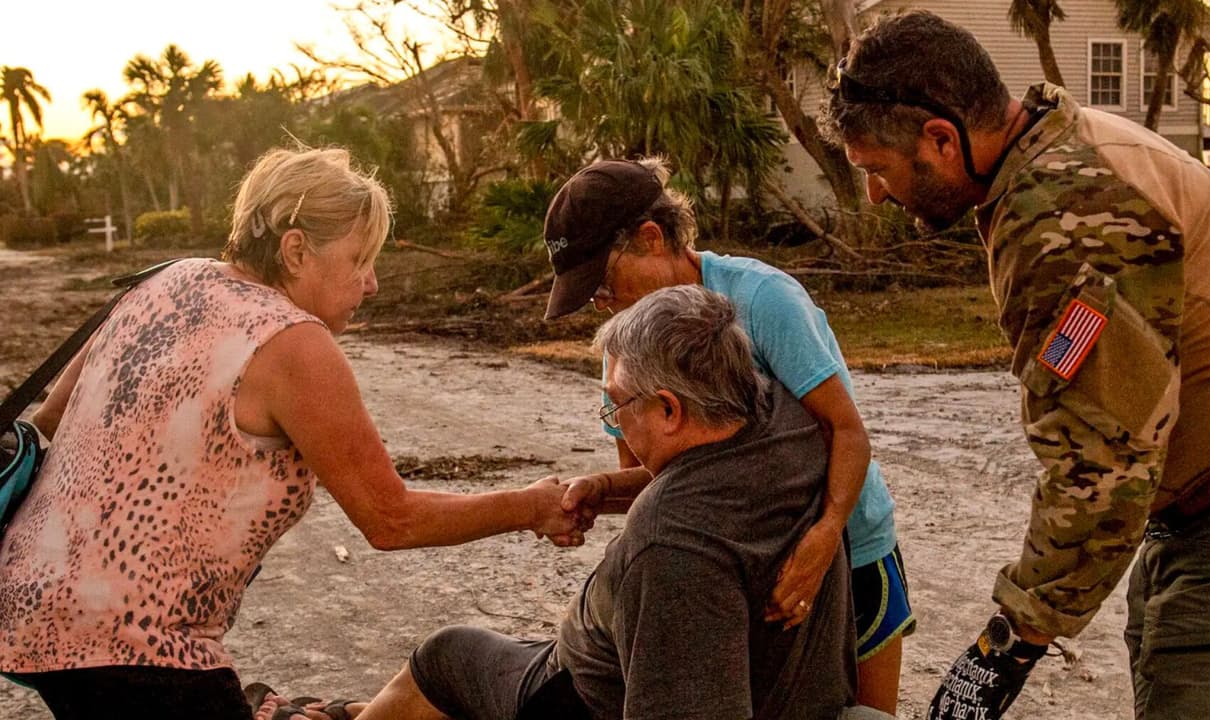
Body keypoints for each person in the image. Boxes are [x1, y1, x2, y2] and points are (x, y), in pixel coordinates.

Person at [0, 146, 577, 720]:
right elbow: (391, 519)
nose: (372, 283)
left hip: (29, 605)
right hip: (139, 646)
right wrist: (530, 506)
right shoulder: (292, 340)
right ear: (296, 250)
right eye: (359, 259)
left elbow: (51, 419)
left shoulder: (166, 279)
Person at [827, 10, 1210, 720]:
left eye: (878, 171)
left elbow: (1102, 465)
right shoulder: (1061, 152)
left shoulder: (1064, 216)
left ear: (941, 139)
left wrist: (1003, 647)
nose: (876, 195)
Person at [324, 284, 857, 720]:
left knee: (445, 655)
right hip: (761, 681)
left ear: (669, 409)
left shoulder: (672, 543)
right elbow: (716, 481)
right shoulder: (787, 422)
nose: (615, 421)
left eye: (616, 406)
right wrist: (608, 486)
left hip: (579, 698)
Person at [539, 157, 911, 718]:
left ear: (650, 237)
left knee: (859, 710)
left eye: (604, 283)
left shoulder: (762, 300)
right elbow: (664, 483)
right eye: (590, 297)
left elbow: (846, 430)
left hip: (849, 546)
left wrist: (825, 535)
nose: (603, 303)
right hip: (750, 566)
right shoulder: (625, 351)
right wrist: (603, 489)